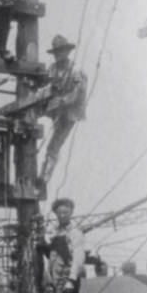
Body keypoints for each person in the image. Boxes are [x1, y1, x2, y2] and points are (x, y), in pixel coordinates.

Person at [39, 35, 88, 185]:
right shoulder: (53, 69)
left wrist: (61, 101)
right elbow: (45, 84)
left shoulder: (76, 70)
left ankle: (44, 178)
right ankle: (43, 176)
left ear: (67, 52)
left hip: (70, 113)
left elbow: (77, 94)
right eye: (56, 53)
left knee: (53, 146)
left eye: (61, 51)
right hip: (55, 110)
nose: (58, 55)